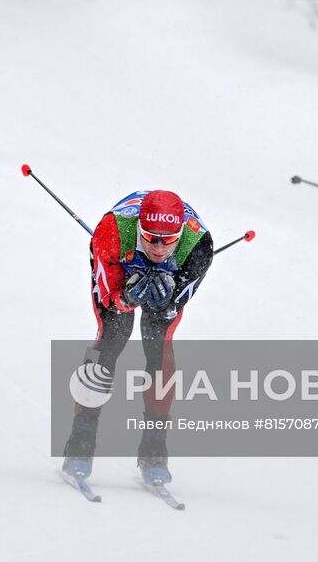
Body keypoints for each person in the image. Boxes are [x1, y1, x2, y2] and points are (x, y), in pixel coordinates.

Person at [60, 190, 215, 487]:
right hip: (121, 265)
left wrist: (166, 299)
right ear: (139, 229)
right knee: (111, 337)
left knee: (159, 344)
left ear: (180, 234)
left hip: (171, 274)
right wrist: (127, 297)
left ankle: (155, 450)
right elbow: (108, 299)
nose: (158, 248)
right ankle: (80, 440)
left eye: (168, 240)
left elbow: (175, 304)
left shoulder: (199, 247)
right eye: (151, 237)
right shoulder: (111, 232)